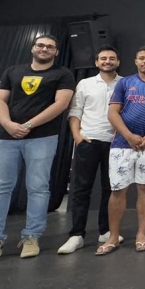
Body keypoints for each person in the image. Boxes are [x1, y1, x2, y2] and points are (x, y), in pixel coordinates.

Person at [0, 34, 75, 264]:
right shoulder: (13, 71)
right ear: (33, 48)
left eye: (50, 47)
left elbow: (61, 104)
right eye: (40, 45)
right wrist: (8, 124)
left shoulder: (62, 74)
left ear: (56, 52)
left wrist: (29, 125)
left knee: (38, 188)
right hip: (6, 137)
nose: (44, 49)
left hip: (42, 137)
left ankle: (32, 237)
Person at [97, 46, 145, 255]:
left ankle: (141, 234)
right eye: (141, 58)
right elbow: (113, 113)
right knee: (118, 190)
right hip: (122, 144)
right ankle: (113, 237)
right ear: (136, 61)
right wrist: (128, 136)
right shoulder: (125, 83)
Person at [58, 45, 124, 255]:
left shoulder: (125, 83)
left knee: (110, 189)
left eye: (111, 58)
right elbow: (75, 111)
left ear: (118, 62)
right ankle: (76, 234)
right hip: (88, 141)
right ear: (97, 62)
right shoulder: (85, 84)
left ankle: (105, 231)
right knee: (81, 189)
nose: (107, 61)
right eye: (103, 58)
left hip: (115, 143)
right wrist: (77, 136)